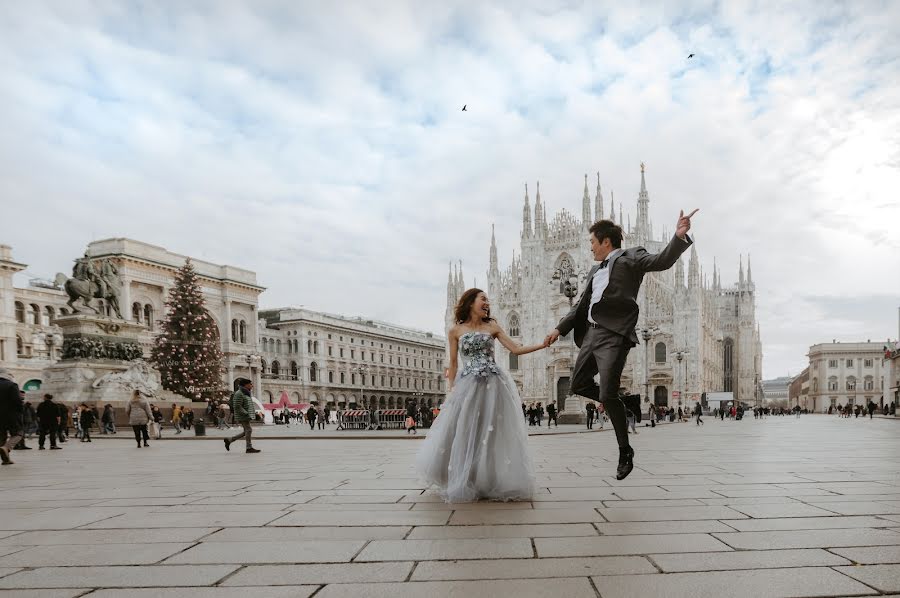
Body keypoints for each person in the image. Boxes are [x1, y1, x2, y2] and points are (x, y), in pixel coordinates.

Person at [545, 211, 696, 480]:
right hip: (590, 335)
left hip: (614, 334)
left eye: (592, 241)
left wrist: (678, 237)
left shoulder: (631, 256)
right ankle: (620, 402)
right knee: (578, 385)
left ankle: (625, 451)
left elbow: (661, 261)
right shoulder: (594, 270)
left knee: (605, 394)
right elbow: (580, 306)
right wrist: (559, 329)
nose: (589, 246)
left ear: (605, 241)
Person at [416, 288, 545, 502]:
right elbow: (454, 363)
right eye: (483, 299)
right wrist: (452, 391)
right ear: (470, 302)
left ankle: (487, 479)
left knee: (490, 431)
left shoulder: (492, 326)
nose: (487, 303)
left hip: (493, 384)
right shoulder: (455, 331)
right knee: (465, 430)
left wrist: (542, 344)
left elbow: (515, 349)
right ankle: (464, 476)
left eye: (488, 300)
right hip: (467, 386)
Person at [225, 379, 260, 453]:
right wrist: (246, 413)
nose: (252, 385)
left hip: (245, 414)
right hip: (243, 415)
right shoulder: (239, 393)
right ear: (245, 385)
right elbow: (237, 406)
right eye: (250, 384)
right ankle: (249, 447)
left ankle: (230, 440)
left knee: (247, 431)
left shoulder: (245, 393)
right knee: (249, 430)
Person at [0, 369, 24, 465]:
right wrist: (21, 411)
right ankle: (7, 447)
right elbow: (17, 401)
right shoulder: (11, 385)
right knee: (18, 433)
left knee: (1, 435)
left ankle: (6, 459)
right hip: (11, 415)